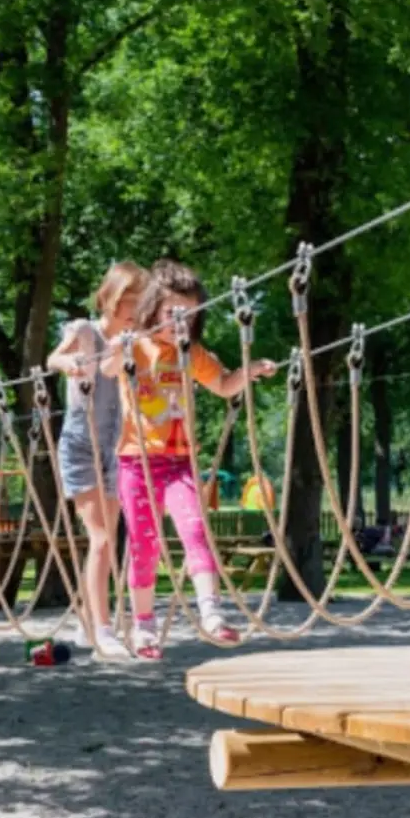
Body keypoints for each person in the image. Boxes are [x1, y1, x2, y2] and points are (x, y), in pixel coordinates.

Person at [101, 259, 278, 660]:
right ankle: (143, 627)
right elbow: (109, 369)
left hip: (180, 463)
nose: (180, 322)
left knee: (196, 531)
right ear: (153, 310)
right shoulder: (136, 346)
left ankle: (211, 613)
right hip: (137, 463)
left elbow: (223, 384)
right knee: (144, 546)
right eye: (172, 313)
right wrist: (118, 347)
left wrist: (248, 371)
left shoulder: (192, 354)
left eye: (189, 315)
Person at [47, 261, 149, 659]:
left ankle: (89, 620)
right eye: (128, 300)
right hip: (80, 443)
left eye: (139, 301)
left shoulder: (132, 340)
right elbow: (53, 359)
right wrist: (70, 364)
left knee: (110, 539)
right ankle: (104, 630)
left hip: (115, 444)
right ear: (109, 297)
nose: (133, 308)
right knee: (102, 538)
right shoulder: (85, 331)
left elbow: (119, 372)